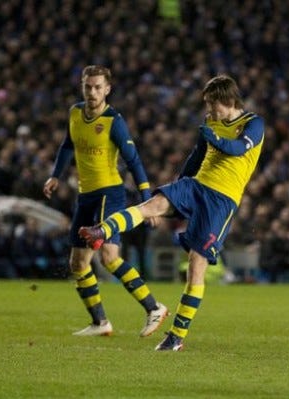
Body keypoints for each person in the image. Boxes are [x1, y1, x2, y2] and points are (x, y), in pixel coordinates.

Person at [79, 74, 265, 350]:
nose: (209, 111)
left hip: (222, 200)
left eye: (212, 105)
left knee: (196, 266)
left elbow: (237, 149)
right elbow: (197, 157)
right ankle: (101, 231)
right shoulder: (210, 122)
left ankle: (176, 337)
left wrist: (213, 137)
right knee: (151, 206)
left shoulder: (253, 123)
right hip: (196, 185)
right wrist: (177, 185)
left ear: (227, 100)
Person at [43, 65, 168, 338]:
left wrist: (147, 203)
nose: (92, 92)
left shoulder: (114, 121)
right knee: (78, 264)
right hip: (85, 195)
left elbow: (134, 161)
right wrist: (55, 176)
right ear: (82, 86)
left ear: (107, 89)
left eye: (98, 87)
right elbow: (67, 144)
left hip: (109, 193)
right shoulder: (75, 113)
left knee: (110, 257)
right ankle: (100, 322)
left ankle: (154, 307)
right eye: (88, 86)